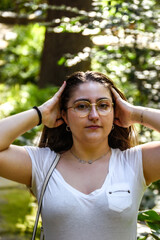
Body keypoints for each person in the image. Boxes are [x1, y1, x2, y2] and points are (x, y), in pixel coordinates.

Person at [0, 71, 160, 240]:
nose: (94, 115)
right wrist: (40, 113)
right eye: (82, 106)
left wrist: (135, 114)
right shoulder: (42, 164)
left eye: (103, 105)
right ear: (65, 116)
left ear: (115, 112)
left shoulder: (134, 163)